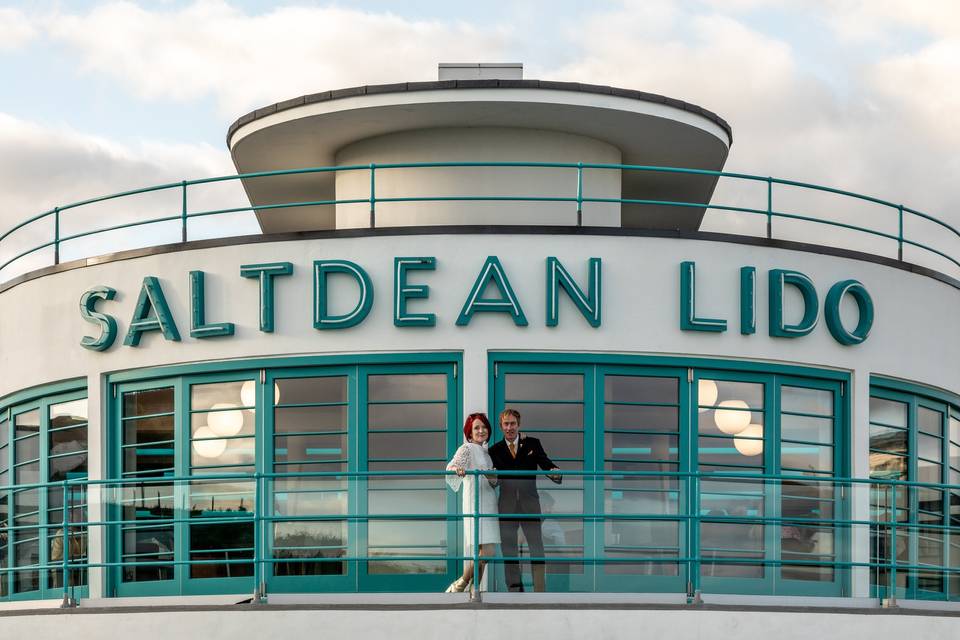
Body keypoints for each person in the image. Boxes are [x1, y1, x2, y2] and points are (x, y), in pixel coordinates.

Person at [488, 408, 561, 592]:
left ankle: (539, 590)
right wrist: (492, 479)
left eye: (513, 423)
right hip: (506, 506)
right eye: (506, 424)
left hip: (530, 505)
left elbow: (547, 464)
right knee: (509, 551)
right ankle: (515, 590)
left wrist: (554, 473)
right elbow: (494, 481)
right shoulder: (494, 450)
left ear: (518, 425)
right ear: (501, 426)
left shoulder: (533, 444)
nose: (510, 427)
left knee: (537, 548)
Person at [444, 412, 500, 592]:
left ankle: (467, 586)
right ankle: (464, 585)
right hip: (475, 501)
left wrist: (493, 477)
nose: (481, 430)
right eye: (476, 427)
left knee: (487, 552)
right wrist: (458, 469)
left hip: (489, 503)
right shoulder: (466, 448)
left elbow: (494, 482)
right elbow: (450, 467)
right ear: (469, 432)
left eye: (484, 427)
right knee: (481, 552)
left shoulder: (487, 453)